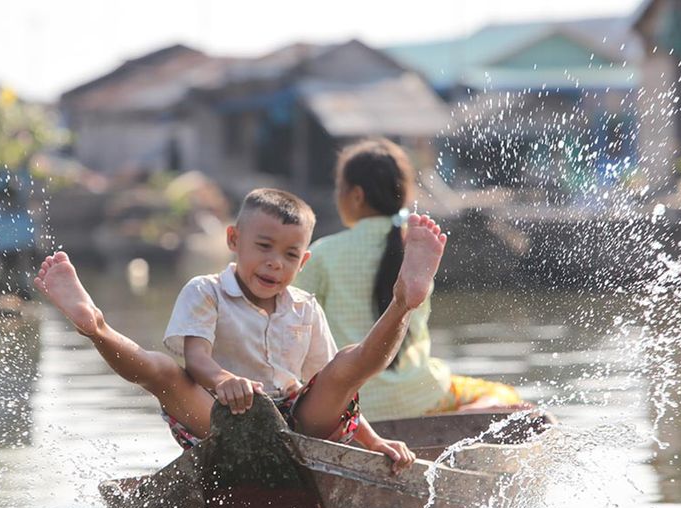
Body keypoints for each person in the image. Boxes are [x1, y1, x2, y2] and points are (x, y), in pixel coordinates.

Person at [34, 188, 447, 472]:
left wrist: (374, 444)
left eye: (289, 255)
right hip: (218, 420)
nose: (274, 264)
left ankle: (403, 302)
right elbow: (195, 360)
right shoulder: (206, 291)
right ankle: (97, 326)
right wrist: (224, 381)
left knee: (347, 363)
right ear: (234, 240)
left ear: (302, 264)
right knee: (162, 372)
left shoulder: (305, 307)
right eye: (263, 247)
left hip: (297, 423)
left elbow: (338, 387)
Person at [295, 139, 523, 422]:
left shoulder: (321, 253)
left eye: (339, 188)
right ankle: (462, 418)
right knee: (505, 395)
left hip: (350, 403)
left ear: (355, 195)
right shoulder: (420, 250)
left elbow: (293, 326)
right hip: (421, 396)